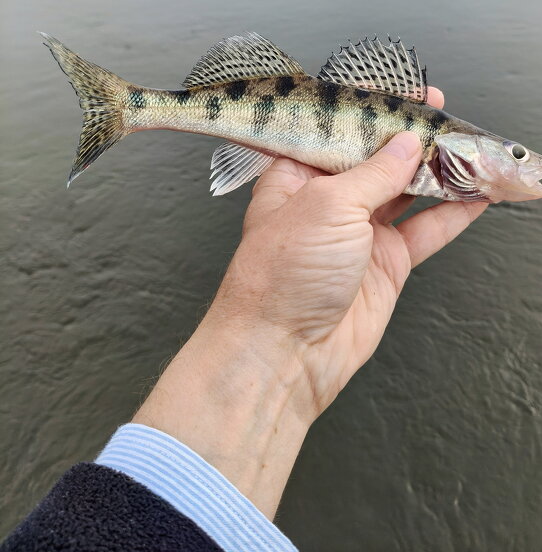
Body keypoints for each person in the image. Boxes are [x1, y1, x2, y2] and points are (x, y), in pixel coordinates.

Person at [1, 86, 487, 552]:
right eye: (519, 155)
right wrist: (280, 341)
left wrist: (278, 342)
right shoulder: (415, 149)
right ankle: (133, 108)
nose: (531, 164)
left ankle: (135, 106)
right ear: (460, 147)